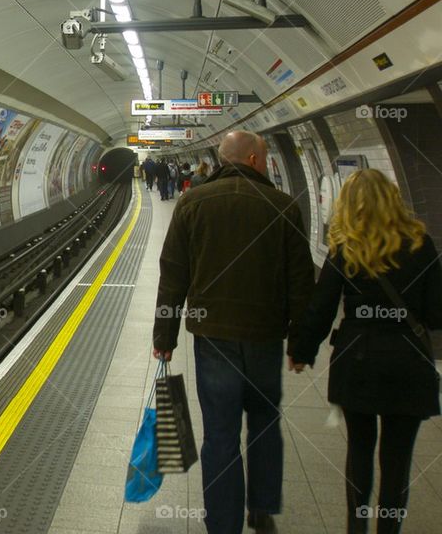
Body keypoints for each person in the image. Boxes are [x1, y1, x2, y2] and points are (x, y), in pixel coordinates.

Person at [153, 130, 315, 534]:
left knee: (220, 432)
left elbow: (173, 276)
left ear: (223, 160)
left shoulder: (193, 203)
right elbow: (301, 284)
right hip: (265, 337)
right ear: (257, 161)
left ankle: (223, 525)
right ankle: (261, 510)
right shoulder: (282, 207)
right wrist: (301, 343)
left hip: (214, 338)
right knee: (264, 423)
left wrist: (164, 337)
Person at [290, 170, 441, 534]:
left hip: (358, 361)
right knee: (397, 460)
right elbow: (437, 312)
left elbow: (321, 307)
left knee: (359, 451)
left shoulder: (346, 247)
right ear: (393, 199)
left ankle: (356, 529)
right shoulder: (422, 244)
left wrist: (301, 350)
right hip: (408, 362)